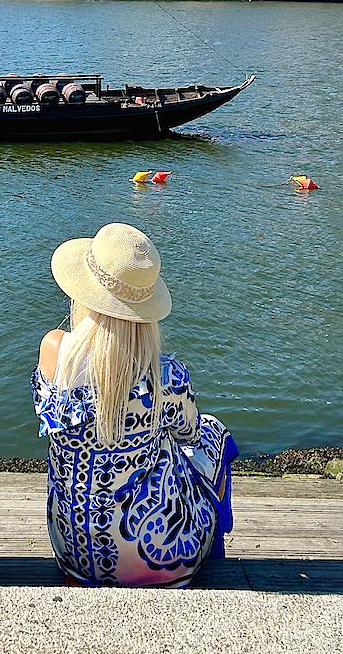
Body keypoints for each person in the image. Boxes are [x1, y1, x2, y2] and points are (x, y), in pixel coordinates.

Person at [33, 223, 237, 587]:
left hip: (73, 550)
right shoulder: (166, 375)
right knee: (215, 434)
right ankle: (212, 554)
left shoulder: (54, 352)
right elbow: (189, 434)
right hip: (162, 557)